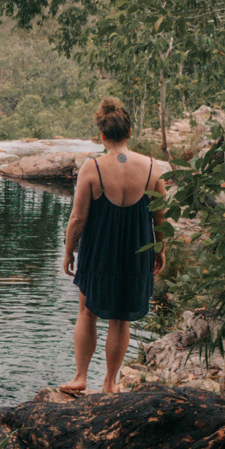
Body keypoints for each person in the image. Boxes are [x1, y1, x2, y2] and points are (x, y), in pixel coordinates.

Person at [60, 98, 170, 395]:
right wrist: (160, 250)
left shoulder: (92, 168)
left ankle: (81, 377)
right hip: (136, 251)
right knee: (120, 319)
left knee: (87, 311)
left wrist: (69, 250)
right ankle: (110, 382)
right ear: (129, 132)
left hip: (99, 251)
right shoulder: (151, 168)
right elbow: (160, 218)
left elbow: (77, 218)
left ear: (102, 136)